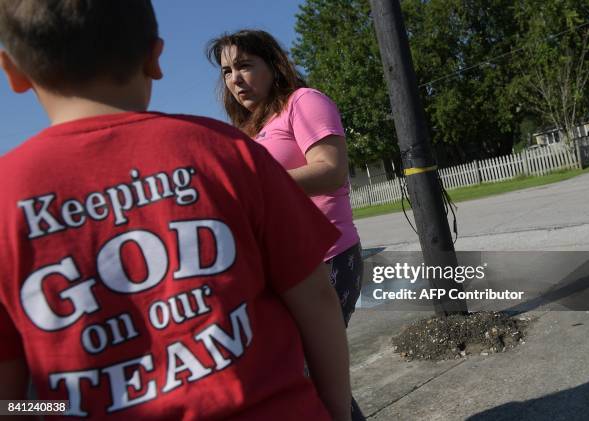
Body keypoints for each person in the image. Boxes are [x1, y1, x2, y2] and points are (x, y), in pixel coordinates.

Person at [0, 1, 351, 420]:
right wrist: (335, 411)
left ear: (13, 72)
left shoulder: (7, 197)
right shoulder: (227, 151)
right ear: (155, 56)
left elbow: (12, 393)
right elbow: (316, 298)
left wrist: (68, 405)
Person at [207, 29, 366, 421]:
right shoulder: (247, 129)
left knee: (309, 371)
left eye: (245, 65)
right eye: (227, 71)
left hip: (330, 257)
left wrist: (254, 185)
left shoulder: (303, 102)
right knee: (309, 374)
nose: (235, 79)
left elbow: (331, 171)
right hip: (282, 268)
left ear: (273, 65)